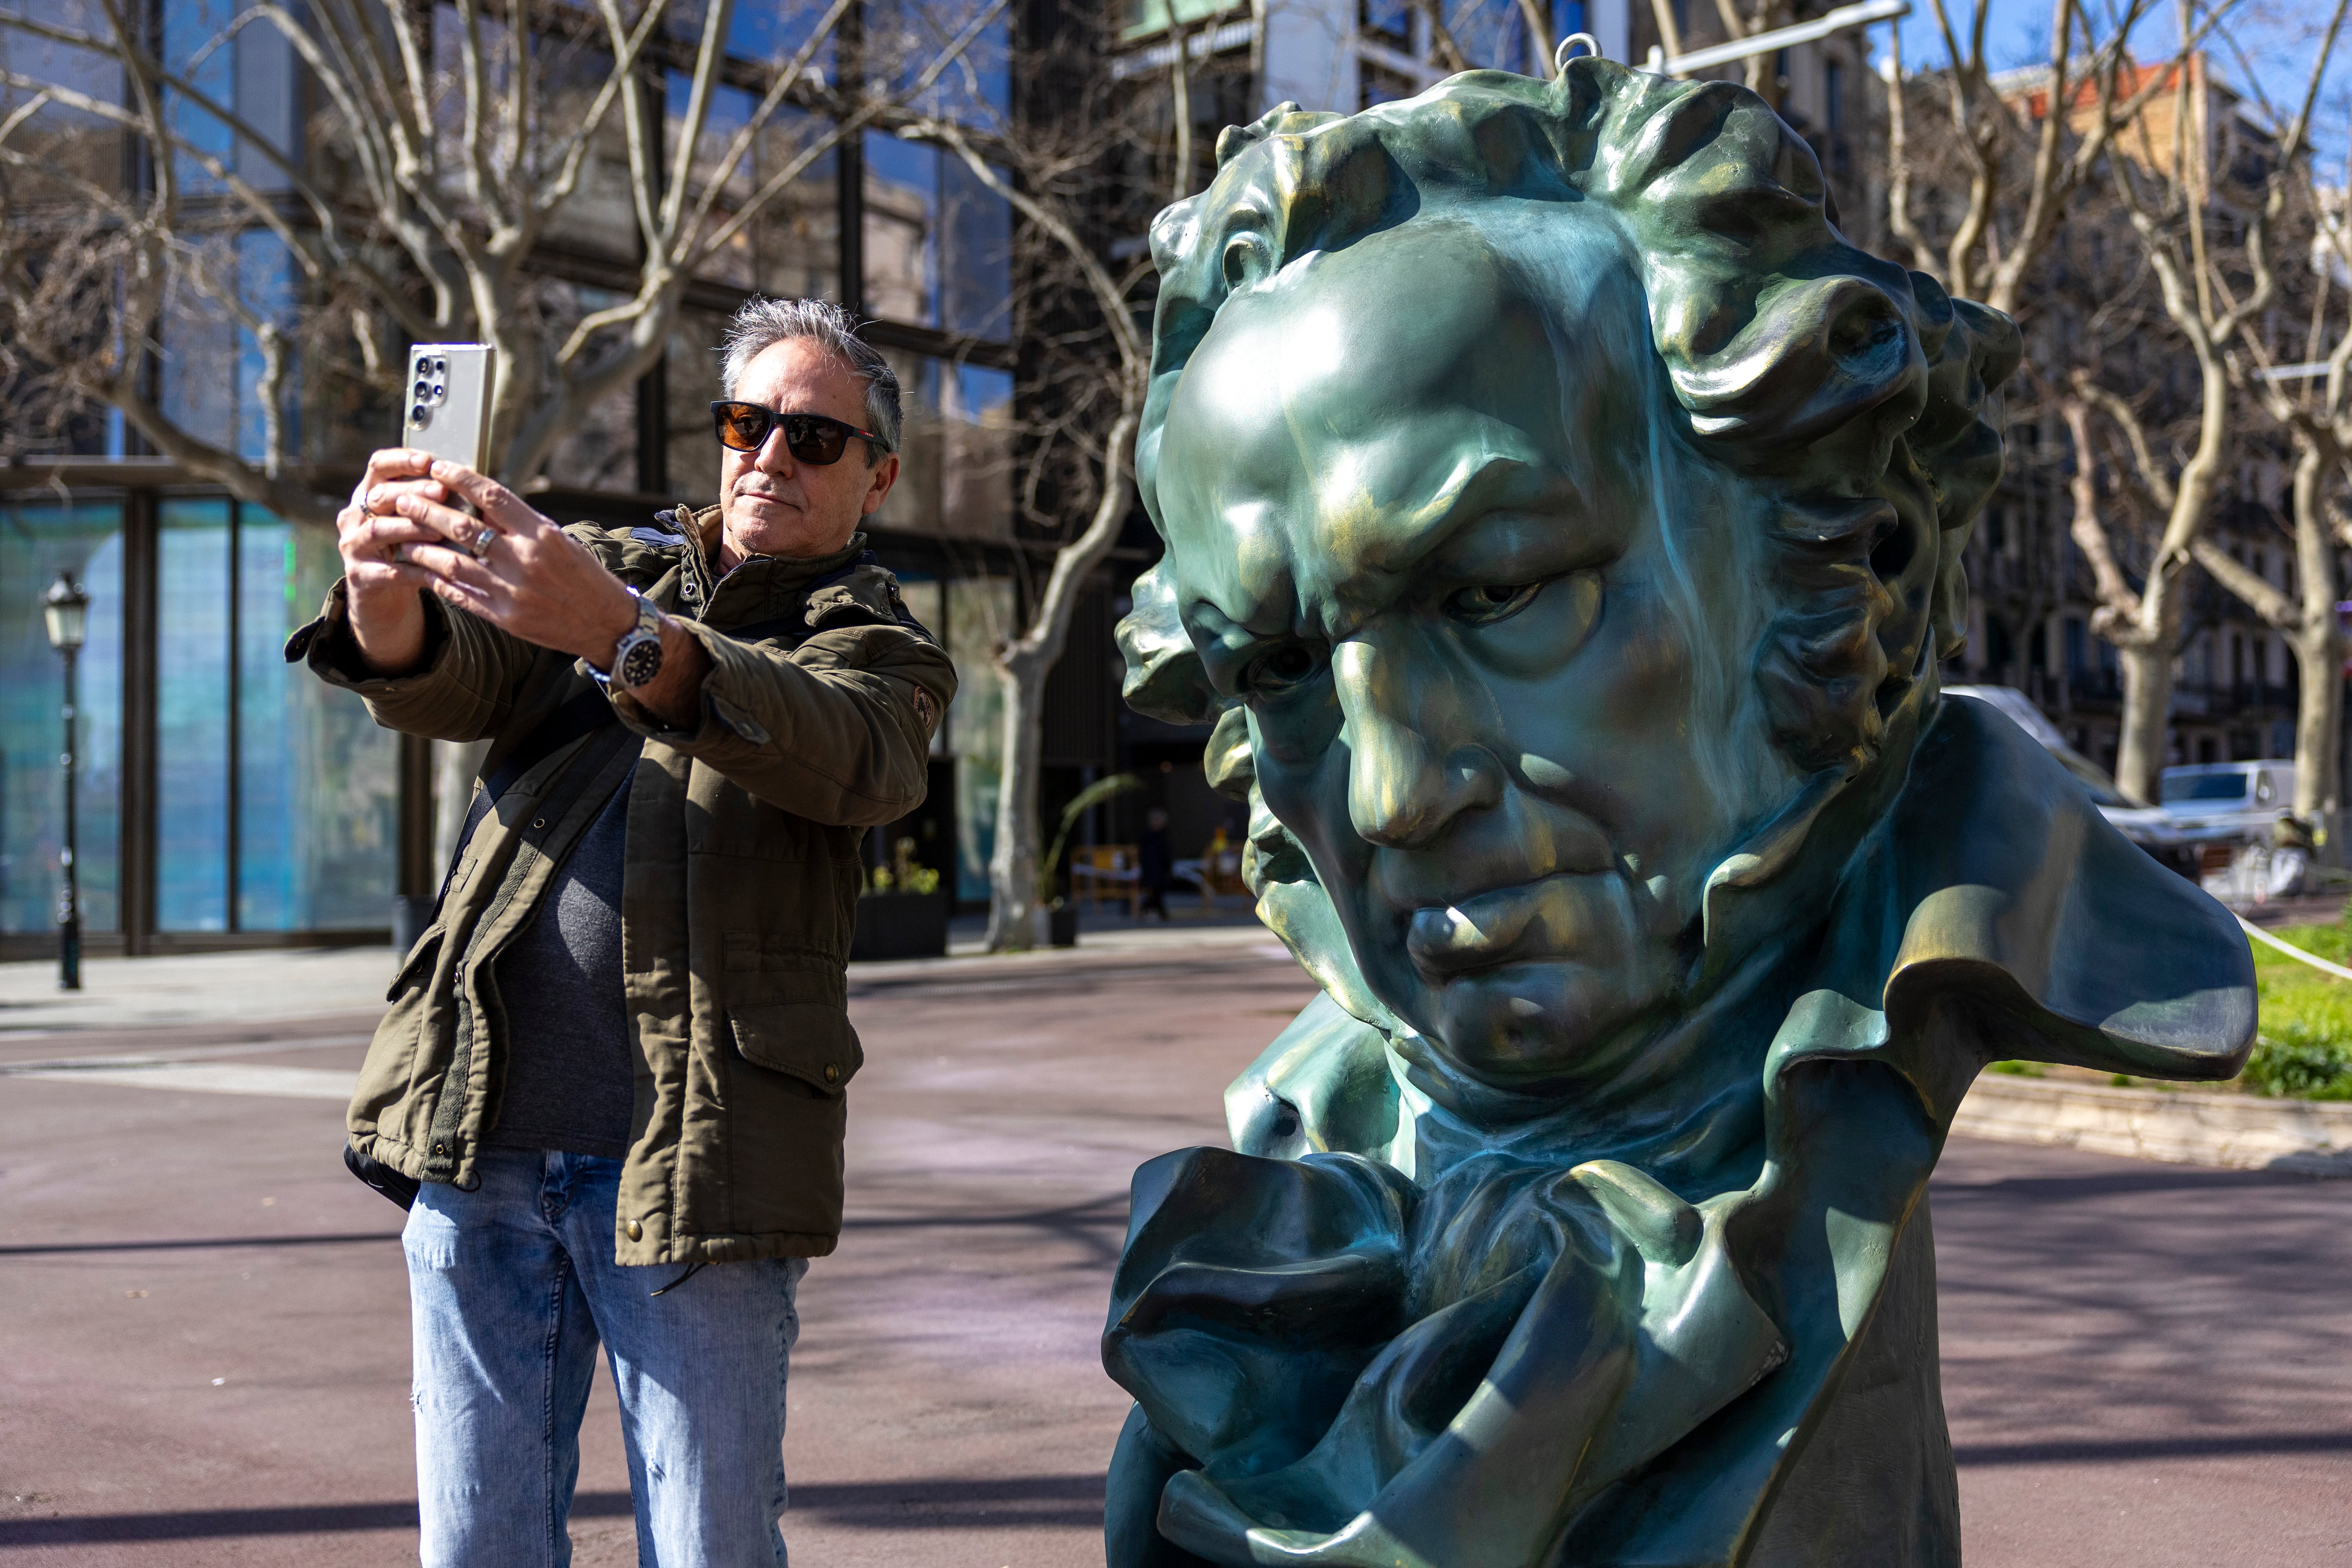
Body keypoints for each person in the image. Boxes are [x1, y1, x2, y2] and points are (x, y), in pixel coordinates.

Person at [289, 297, 954, 1568]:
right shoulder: (605, 562)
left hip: (696, 1174)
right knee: (478, 1545)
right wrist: (382, 593)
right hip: (475, 1135)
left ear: (878, 475)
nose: (771, 457)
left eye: (815, 438)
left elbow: (851, 753)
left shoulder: (881, 648)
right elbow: (453, 675)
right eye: (749, 423)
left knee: (709, 1544)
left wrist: (622, 634)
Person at [1136, 807, 1172, 920]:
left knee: (1158, 892)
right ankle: (1154, 911)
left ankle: (1149, 910)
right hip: (1150, 869)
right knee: (1153, 892)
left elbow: (1167, 853)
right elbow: (1142, 853)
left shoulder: (1163, 835)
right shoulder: (1146, 836)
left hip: (1160, 869)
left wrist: (1168, 867)